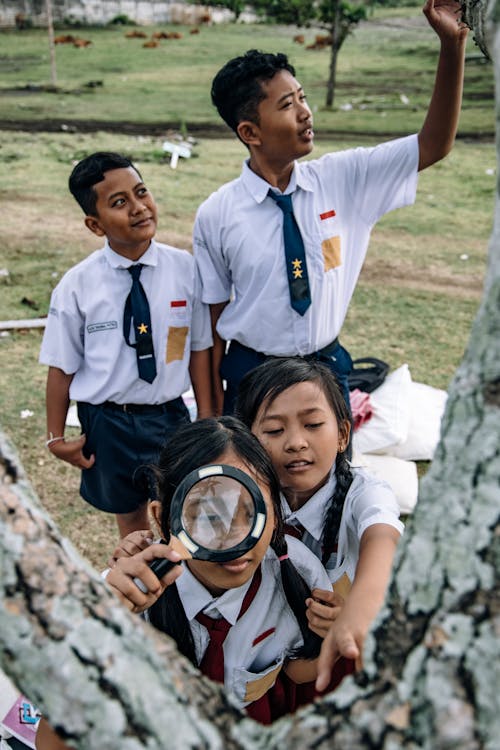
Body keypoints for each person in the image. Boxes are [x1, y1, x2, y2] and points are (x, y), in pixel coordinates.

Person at [193, 0, 468, 416]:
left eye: (302, 97)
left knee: (329, 481)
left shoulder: (344, 180)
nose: (306, 113)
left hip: (325, 369)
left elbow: (433, 144)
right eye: (286, 105)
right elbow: (210, 328)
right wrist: (211, 421)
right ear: (250, 132)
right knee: (253, 481)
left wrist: (452, 46)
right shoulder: (217, 214)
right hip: (252, 377)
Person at [106, 416, 334, 724]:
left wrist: (335, 637)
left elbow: (298, 671)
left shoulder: (300, 576)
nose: (237, 540)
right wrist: (101, 622)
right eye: (211, 518)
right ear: (163, 520)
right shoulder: (121, 596)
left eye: (252, 512)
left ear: (277, 514)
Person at [39, 152, 212, 537]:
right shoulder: (77, 286)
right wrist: (55, 437)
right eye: (119, 203)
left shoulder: (185, 270)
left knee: (182, 511)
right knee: (131, 521)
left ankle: (184, 591)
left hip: (169, 416)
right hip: (108, 421)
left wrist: (207, 414)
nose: (138, 208)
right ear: (95, 224)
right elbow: (60, 366)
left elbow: (199, 350)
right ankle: (142, 592)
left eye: (141, 192)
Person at [234, 357, 404, 683]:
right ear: (248, 442)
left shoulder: (362, 492)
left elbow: (382, 534)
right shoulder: (240, 497)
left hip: (338, 659)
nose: (296, 442)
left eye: (312, 425)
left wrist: (360, 608)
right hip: (258, 664)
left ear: (342, 435)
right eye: (274, 430)